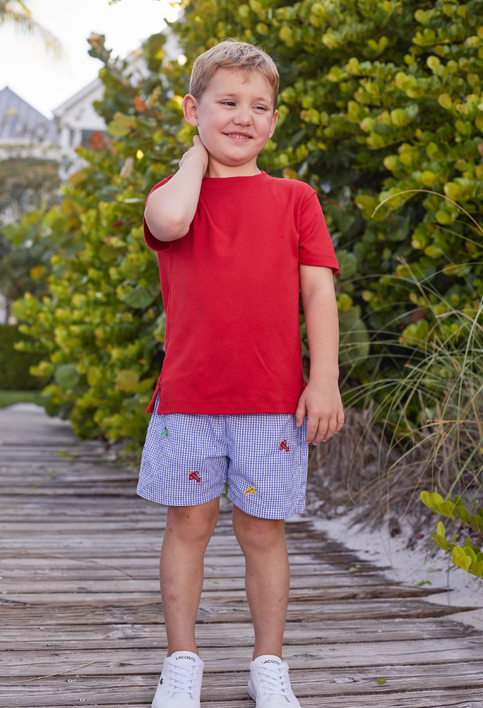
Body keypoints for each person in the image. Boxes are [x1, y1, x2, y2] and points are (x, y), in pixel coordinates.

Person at [137, 40, 344, 708]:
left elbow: (317, 294)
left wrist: (324, 379)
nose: (243, 117)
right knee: (188, 527)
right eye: (227, 103)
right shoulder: (176, 197)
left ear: (274, 122)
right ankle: (182, 660)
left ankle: (267, 663)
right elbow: (168, 221)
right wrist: (194, 157)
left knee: (262, 531)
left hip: (270, 404)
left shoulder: (294, 198)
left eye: (259, 107)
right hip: (188, 401)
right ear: (193, 109)